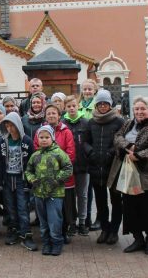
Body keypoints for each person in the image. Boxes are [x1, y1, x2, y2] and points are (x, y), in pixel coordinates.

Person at [109, 96, 148, 255]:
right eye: (137, 109)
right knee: (130, 207)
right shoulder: (128, 123)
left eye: (143, 109)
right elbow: (117, 137)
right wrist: (128, 146)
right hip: (127, 173)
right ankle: (137, 238)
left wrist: (139, 155)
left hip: (146, 173)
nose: (139, 112)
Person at [83, 89, 124, 245]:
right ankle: (105, 229)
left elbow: (122, 141)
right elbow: (85, 142)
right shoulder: (92, 122)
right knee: (100, 202)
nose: (102, 106)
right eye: (99, 103)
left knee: (115, 201)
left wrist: (111, 153)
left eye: (105, 103)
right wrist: (91, 152)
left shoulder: (119, 121)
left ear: (110, 104)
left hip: (113, 168)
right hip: (96, 168)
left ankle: (114, 231)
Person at [25, 125, 73, 256]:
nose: (44, 140)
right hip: (39, 193)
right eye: (41, 137)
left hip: (55, 194)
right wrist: (32, 179)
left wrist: (57, 180)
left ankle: (57, 242)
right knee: (43, 221)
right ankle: (46, 243)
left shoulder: (59, 153)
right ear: (37, 139)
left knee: (54, 220)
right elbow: (28, 170)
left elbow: (68, 168)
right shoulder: (35, 155)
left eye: (47, 137)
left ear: (52, 138)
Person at [0, 112, 36, 250]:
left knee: (23, 208)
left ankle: (26, 234)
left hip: (21, 179)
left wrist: (29, 181)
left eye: (12, 125)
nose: (10, 128)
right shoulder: (1, 142)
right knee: (10, 208)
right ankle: (13, 230)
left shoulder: (27, 141)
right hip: (7, 179)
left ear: (18, 125)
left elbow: (31, 162)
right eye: (7, 125)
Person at [35, 104, 76, 243]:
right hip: (45, 179)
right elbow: (37, 150)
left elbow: (70, 153)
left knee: (64, 208)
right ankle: (50, 236)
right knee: (50, 210)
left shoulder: (66, 131)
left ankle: (63, 233)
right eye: (48, 113)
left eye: (54, 113)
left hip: (63, 179)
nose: (51, 115)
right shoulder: (41, 131)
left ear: (59, 115)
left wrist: (57, 171)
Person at [62, 95, 90, 236]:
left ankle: (83, 222)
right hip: (67, 166)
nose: (72, 108)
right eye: (69, 106)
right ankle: (71, 222)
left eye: (74, 105)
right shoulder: (62, 123)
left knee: (82, 194)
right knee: (69, 195)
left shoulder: (86, 122)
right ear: (65, 108)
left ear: (78, 106)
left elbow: (89, 142)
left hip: (82, 165)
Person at [77, 79, 100, 230]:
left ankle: (94, 218)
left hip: (93, 151)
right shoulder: (77, 106)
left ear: (95, 91)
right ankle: (85, 218)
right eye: (85, 89)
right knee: (84, 191)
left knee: (94, 188)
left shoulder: (97, 107)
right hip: (80, 153)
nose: (87, 92)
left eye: (90, 89)